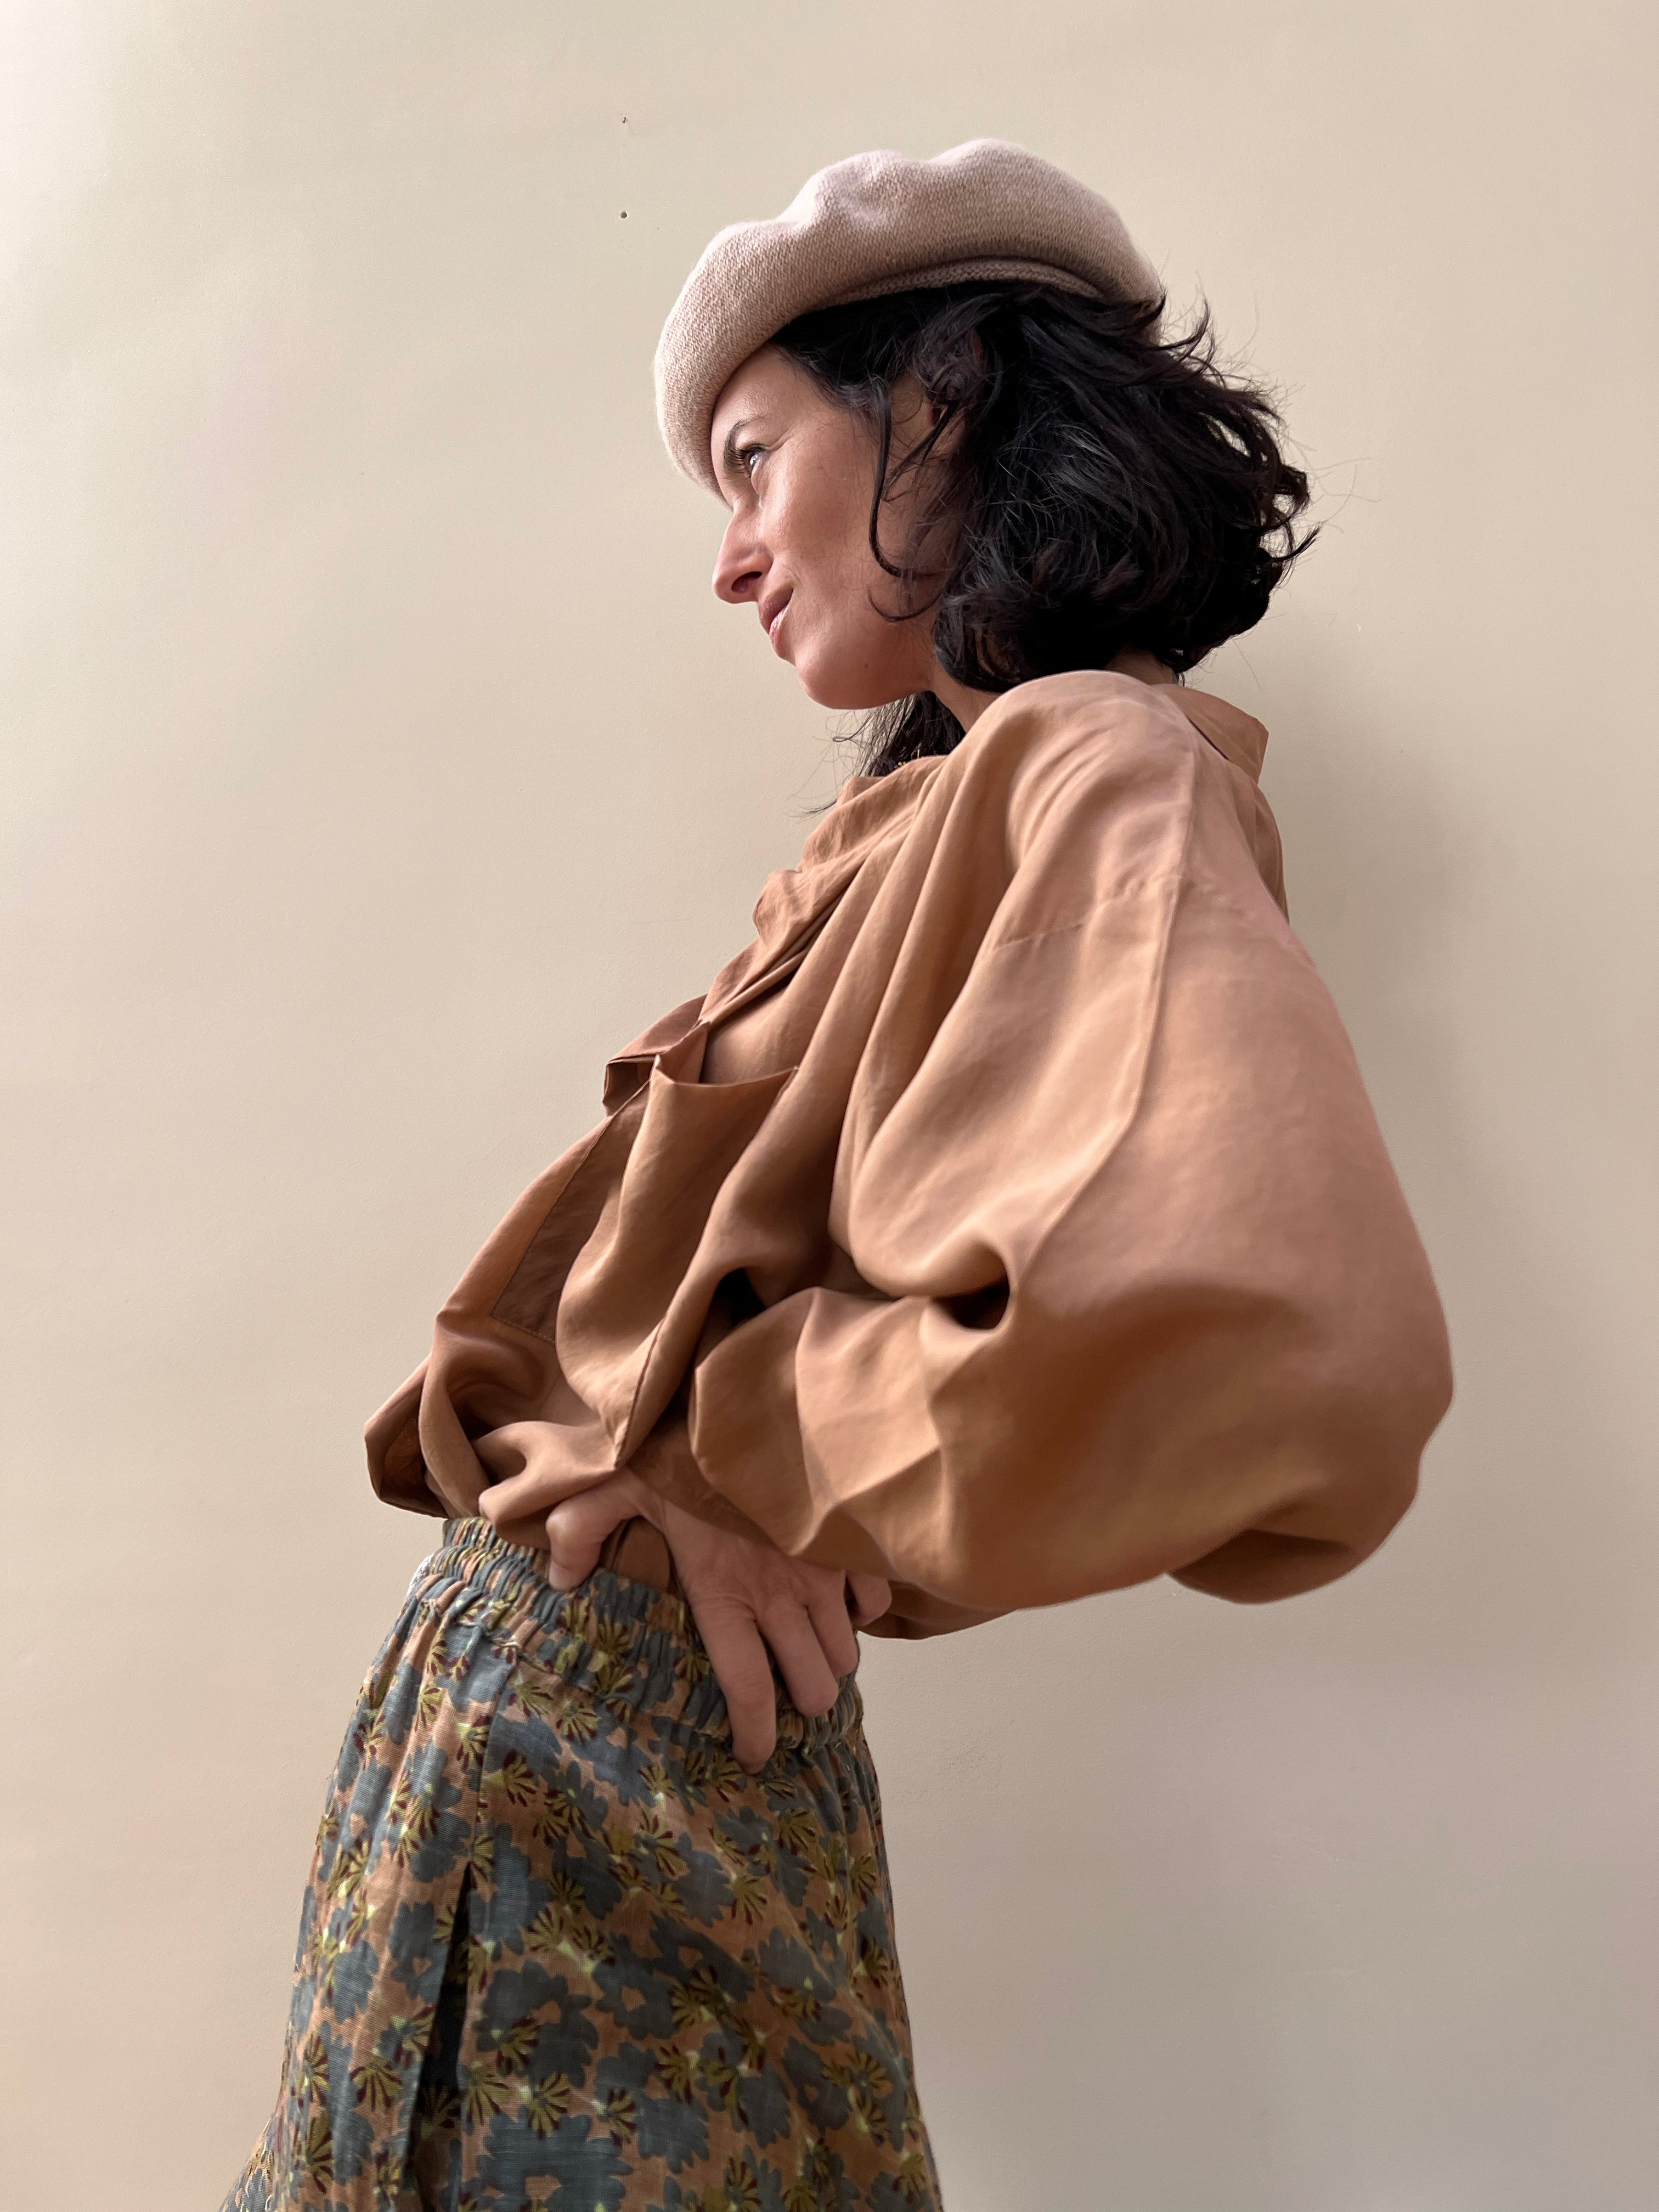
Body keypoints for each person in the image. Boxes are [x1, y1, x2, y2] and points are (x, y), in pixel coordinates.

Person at [225, 139, 1452, 2212]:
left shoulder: (1096, 767)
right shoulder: (922, 828)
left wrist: (745, 1457)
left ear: (941, 402)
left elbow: (1277, 1343)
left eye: (750, 459)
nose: (729, 560)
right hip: (527, 1793)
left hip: (626, 1814)